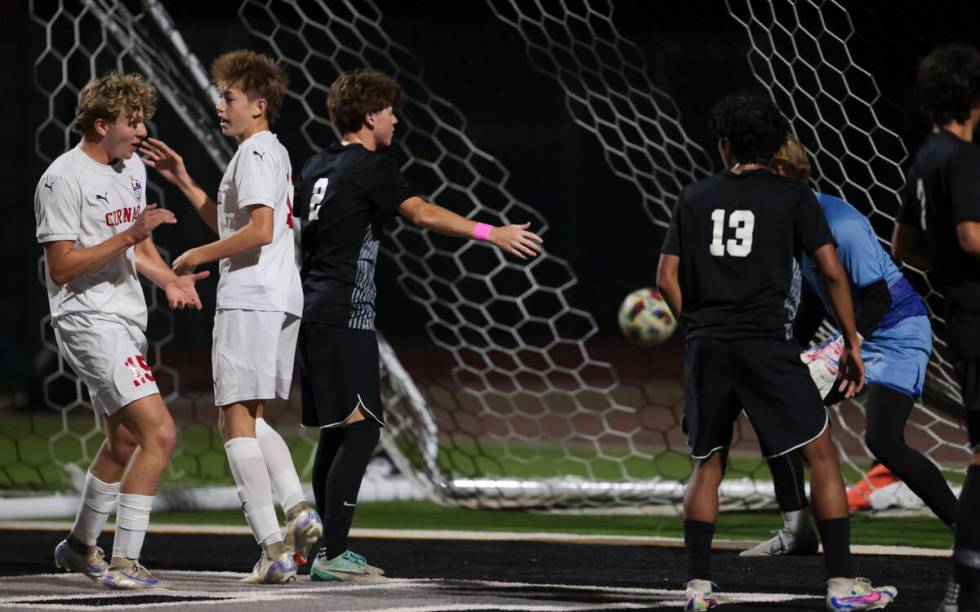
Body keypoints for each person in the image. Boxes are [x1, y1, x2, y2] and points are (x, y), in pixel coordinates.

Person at [293, 68, 543, 582]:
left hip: (313, 308)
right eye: (389, 111)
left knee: (338, 431)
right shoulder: (368, 166)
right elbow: (422, 213)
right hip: (346, 313)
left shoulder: (316, 165)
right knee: (363, 429)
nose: (394, 119)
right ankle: (333, 552)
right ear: (369, 116)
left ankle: (323, 546)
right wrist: (489, 232)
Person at [656, 90, 896, 610]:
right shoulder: (793, 197)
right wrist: (851, 341)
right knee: (822, 455)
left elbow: (666, 278)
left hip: (709, 345)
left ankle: (697, 587)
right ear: (774, 144)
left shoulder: (694, 196)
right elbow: (832, 271)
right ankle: (841, 586)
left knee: (707, 461)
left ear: (725, 146)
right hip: (766, 344)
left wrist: (696, 326)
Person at [139, 50, 321, 584]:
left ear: (259, 105)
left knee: (232, 420)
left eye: (229, 97)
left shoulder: (257, 152)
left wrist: (198, 254)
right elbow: (234, 222)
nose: (220, 105)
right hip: (275, 295)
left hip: (251, 296)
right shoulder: (267, 152)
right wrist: (183, 178)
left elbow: (259, 230)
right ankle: (298, 512)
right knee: (252, 416)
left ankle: (271, 546)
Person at [741, 134, 952, 558]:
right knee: (773, 403)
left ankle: (968, 532)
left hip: (898, 334)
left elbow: (878, 297)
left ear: (781, 174)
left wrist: (846, 349)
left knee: (885, 442)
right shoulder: (791, 221)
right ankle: (796, 531)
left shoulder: (841, 223)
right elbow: (819, 297)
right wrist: (787, 349)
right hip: (858, 334)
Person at [36, 72, 208, 589]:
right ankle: (126, 562)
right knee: (160, 432)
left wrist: (169, 277)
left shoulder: (130, 167)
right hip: (87, 318)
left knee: (124, 441)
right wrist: (132, 233)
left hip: (124, 316)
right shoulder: (61, 179)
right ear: (100, 123)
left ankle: (80, 546)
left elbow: (137, 248)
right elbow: (62, 267)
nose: (141, 131)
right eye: (132, 122)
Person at [892, 43, 980, 612]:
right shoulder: (965, 157)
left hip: (960, 312)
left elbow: (905, 247)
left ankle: (965, 581)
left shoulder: (926, 156)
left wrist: (949, 272)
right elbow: (973, 237)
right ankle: (964, 584)